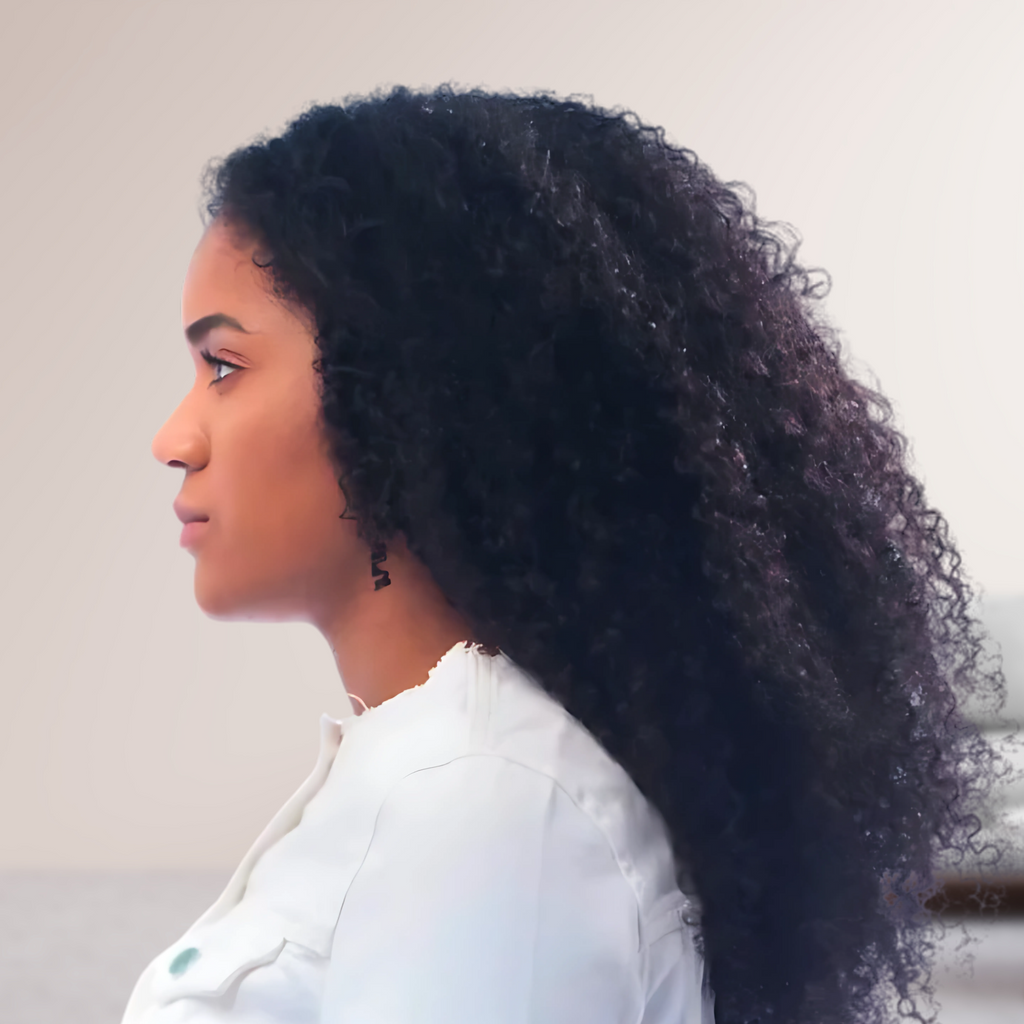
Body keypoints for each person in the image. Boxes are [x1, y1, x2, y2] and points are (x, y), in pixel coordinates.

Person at [125, 85, 1006, 1024]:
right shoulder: (446, 776)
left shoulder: (485, 805)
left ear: (411, 396)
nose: (173, 438)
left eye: (225, 367)